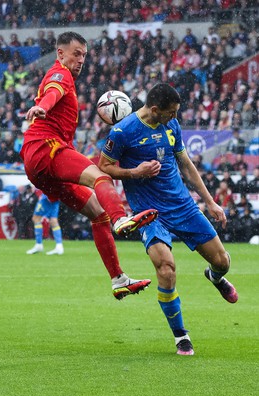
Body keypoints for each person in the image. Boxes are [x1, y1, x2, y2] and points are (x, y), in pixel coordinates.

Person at [98, 83, 238, 356]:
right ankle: (181, 335)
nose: (174, 117)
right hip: (149, 213)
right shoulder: (123, 132)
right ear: (154, 110)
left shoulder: (171, 126)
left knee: (222, 262)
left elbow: (185, 163)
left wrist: (209, 202)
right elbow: (103, 167)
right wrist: (136, 172)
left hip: (183, 206)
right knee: (166, 268)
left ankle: (215, 277)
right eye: (170, 112)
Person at [20, 31, 157, 300]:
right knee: (100, 177)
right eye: (76, 53)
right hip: (45, 147)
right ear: (61, 54)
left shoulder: (63, 74)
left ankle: (119, 279)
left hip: (39, 163)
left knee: (97, 214)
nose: (81, 59)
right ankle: (121, 219)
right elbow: (53, 91)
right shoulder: (61, 74)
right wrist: (42, 107)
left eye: (84, 55)